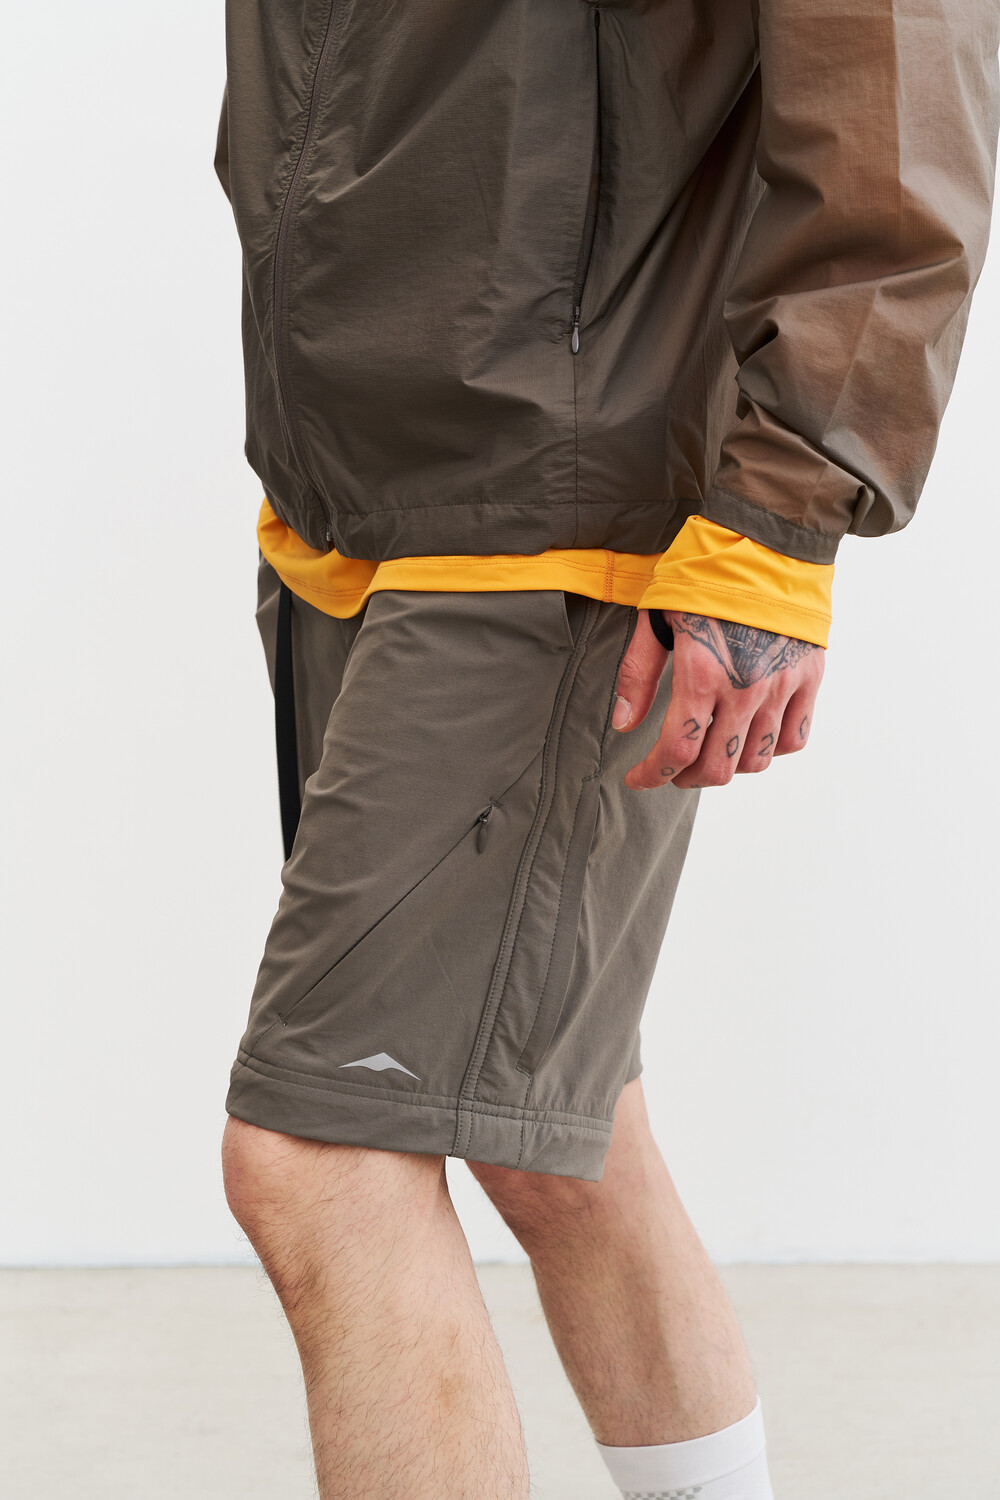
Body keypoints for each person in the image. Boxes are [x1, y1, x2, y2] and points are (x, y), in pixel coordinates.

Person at [213, 3, 998, 1495]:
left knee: (319, 1159)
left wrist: (784, 516)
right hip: (359, 494)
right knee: (553, 1132)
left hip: (562, 501)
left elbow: (896, 75)